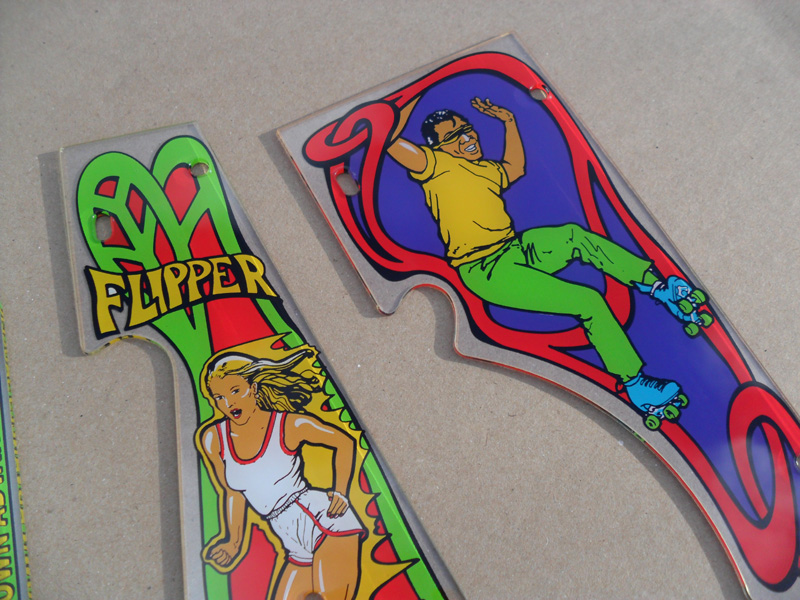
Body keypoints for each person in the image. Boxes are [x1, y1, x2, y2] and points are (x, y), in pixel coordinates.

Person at [387, 97, 691, 411]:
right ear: (437, 148)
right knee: (587, 301)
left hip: (514, 248)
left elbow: (514, 168)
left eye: (467, 129)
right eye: (454, 136)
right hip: (486, 269)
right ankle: (636, 385)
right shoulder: (435, 166)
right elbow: (390, 140)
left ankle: (658, 288)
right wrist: (406, 102)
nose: (467, 138)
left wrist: (508, 121)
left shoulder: (485, 169)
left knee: (574, 236)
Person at [197, 347, 363, 600]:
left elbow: (343, 442)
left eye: (235, 391)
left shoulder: (287, 424)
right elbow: (233, 493)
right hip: (289, 538)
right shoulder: (213, 438)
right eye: (219, 397)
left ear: (253, 388)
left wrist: (341, 492)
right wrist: (234, 542)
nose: (228, 403)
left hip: (325, 521)